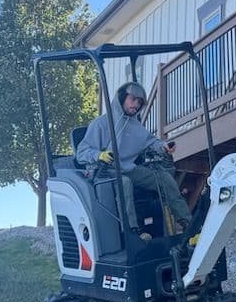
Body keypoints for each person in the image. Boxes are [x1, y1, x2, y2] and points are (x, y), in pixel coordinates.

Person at [75, 81, 192, 238]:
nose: (136, 104)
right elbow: (81, 152)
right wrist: (99, 155)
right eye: (133, 99)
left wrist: (164, 146)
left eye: (140, 102)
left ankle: (187, 223)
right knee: (125, 183)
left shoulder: (136, 127)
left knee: (163, 177)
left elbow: (152, 142)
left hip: (128, 169)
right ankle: (132, 233)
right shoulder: (101, 124)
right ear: (122, 98)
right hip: (104, 172)